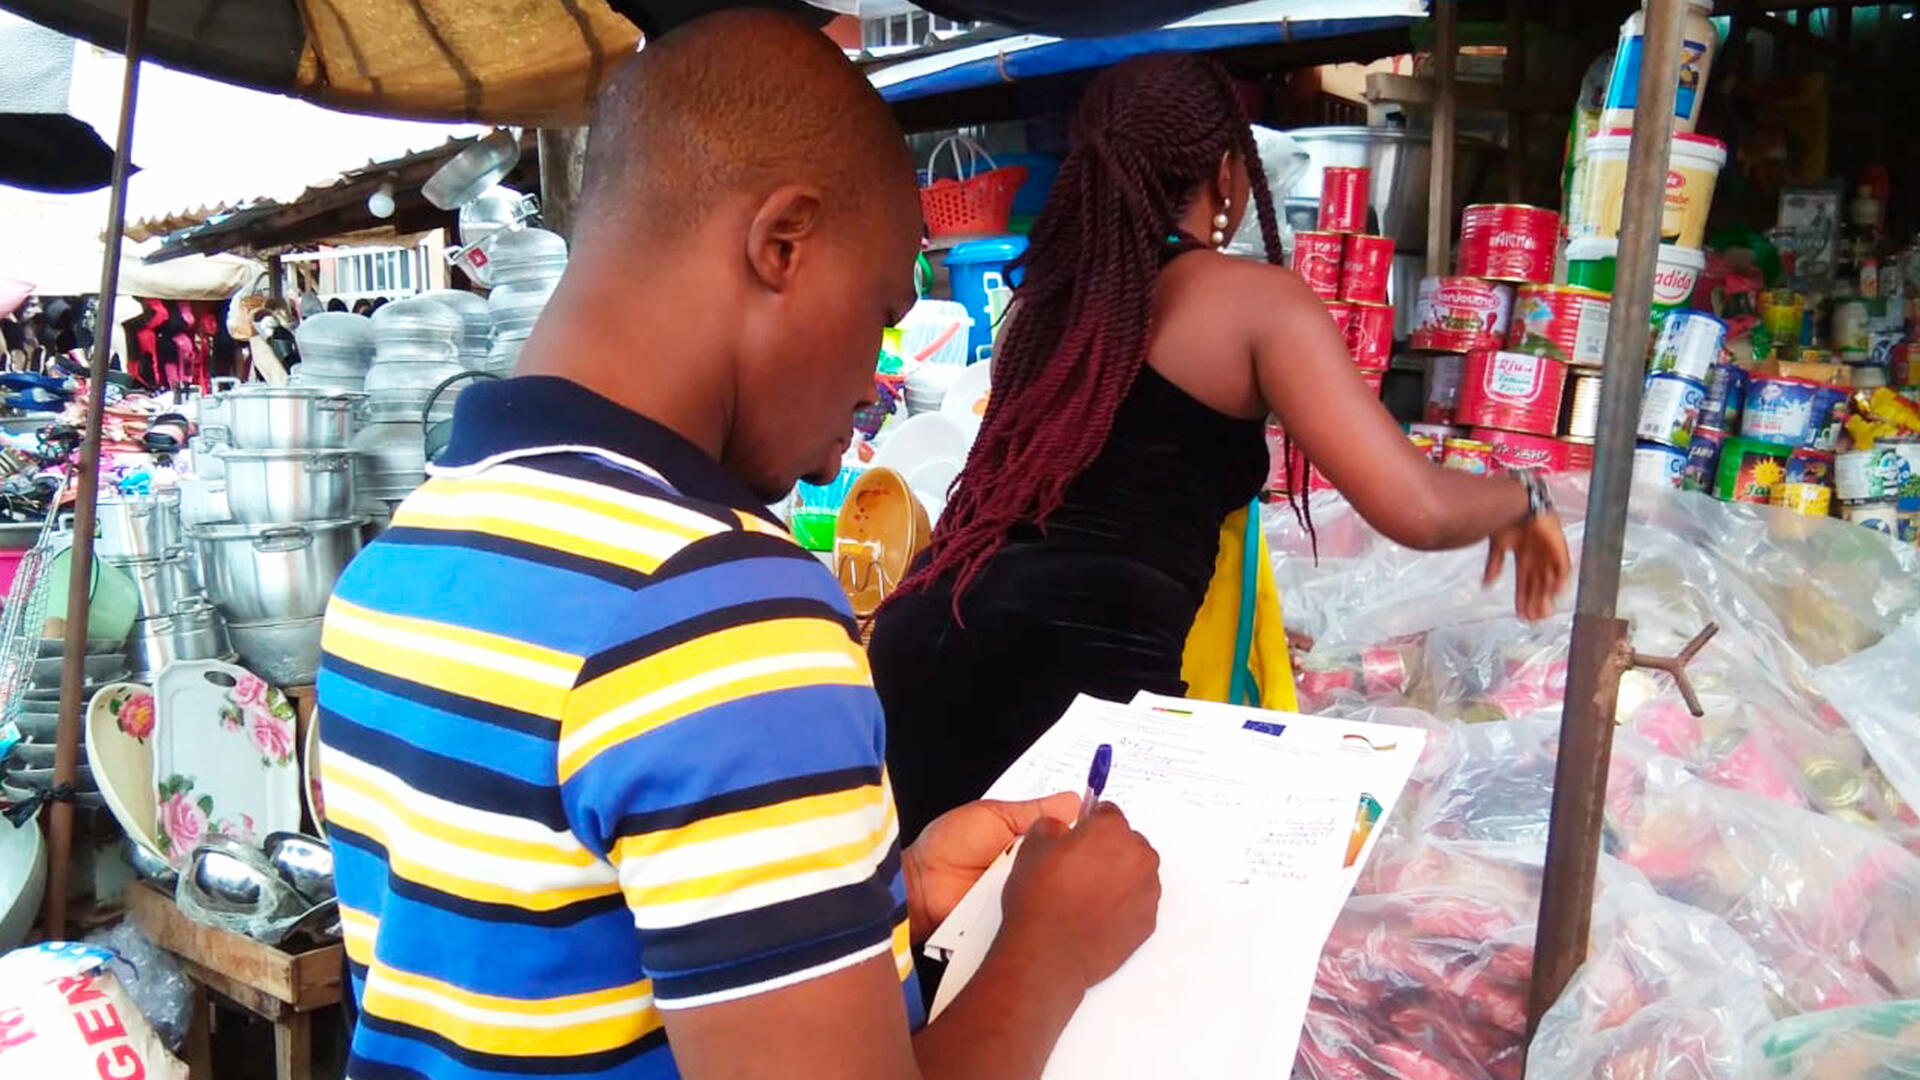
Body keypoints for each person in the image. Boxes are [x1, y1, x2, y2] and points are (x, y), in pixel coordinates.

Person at [316, 11, 1160, 1080]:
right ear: (783, 243)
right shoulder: (722, 607)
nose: (872, 386)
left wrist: (884, 893)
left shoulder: (400, 561)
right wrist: (1051, 945)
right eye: (881, 311)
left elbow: (550, 968)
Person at [869, 53, 1572, 840]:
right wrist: (1522, 497)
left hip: (924, 642)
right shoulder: (1254, 303)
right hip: (1071, 684)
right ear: (1228, 174)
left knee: (938, 910)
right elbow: (1420, 507)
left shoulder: (1041, 313)